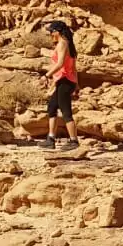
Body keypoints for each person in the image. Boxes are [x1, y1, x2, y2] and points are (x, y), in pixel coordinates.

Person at [41, 20, 79, 151]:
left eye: (52, 31)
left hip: (65, 81)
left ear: (58, 31)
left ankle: (74, 141)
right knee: (52, 107)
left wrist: (47, 75)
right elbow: (74, 68)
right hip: (66, 81)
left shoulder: (63, 43)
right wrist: (77, 85)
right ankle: (50, 139)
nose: (50, 34)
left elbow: (60, 64)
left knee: (66, 112)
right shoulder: (68, 44)